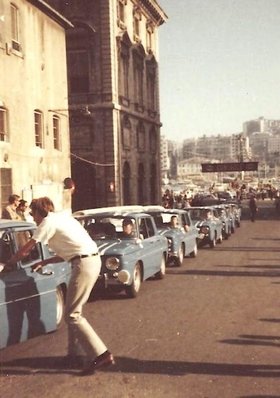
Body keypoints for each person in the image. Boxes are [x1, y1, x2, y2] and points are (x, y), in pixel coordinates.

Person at [4, 197, 114, 376]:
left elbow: (27, 248)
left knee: (72, 314)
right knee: (74, 312)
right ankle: (74, 356)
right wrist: (45, 261)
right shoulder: (63, 218)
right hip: (89, 260)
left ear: (40, 212)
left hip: (84, 264)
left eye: (33, 214)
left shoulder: (47, 222)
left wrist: (9, 263)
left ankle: (101, 354)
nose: (32, 218)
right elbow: (71, 251)